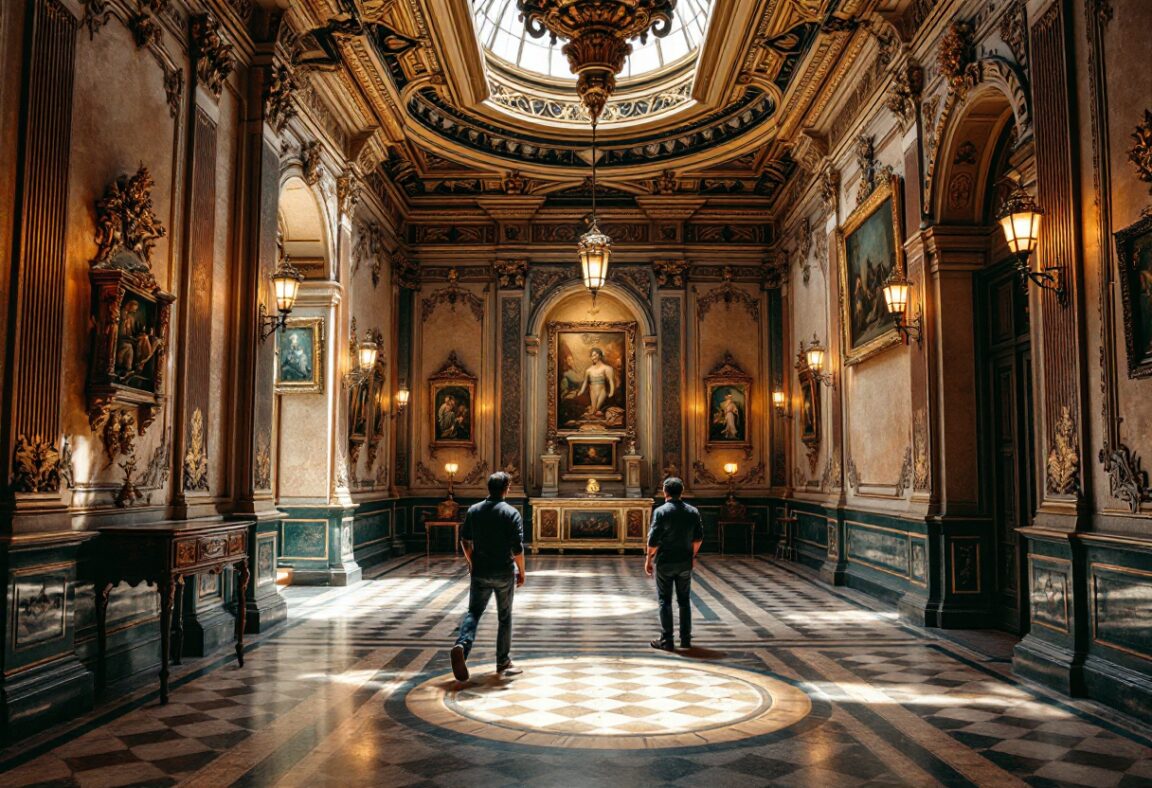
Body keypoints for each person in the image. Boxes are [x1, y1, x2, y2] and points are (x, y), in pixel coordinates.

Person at [450, 471, 526, 681]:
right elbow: (517, 549)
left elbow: (465, 541)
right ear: (506, 488)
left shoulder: (474, 510)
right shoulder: (511, 513)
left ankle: (461, 646)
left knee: (473, 612)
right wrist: (522, 572)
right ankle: (502, 661)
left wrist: (472, 561)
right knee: (504, 616)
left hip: (481, 570)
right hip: (503, 571)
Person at [645, 476, 704, 651]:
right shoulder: (693, 511)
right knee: (684, 601)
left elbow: (653, 540)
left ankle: (667, 640)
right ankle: (685, 639)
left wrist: (649, 559)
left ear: (665, 492)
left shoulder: (661, 512)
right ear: (682, 492)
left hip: (665, 561)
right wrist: (692, 555)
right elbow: (699, 538)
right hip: (684, 561)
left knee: (665, 600)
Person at [576, 347, 616, 418]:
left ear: (600, 355)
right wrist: (581, 391)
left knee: (595, 410)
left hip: (602, 391)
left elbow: (610, 381)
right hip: (592, 392)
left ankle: (593, 412)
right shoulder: (588, 370)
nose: (593, 357)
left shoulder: (607, 368)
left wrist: (612, 392)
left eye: (594, 355)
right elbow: (585, 382)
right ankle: (593, 412)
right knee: (594, 410)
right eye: (591, 356)